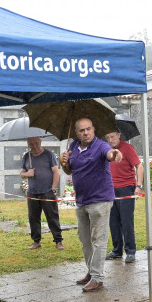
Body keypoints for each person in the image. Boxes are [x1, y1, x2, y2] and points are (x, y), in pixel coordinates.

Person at [59, 118, 123, 292]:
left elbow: (109, 154)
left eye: (88, 129)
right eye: (82, 130)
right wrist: (63, 161)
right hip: (81, 200)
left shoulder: (101, 145)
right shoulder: (73, 147)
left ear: (94, 129)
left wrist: (114, 154)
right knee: (85, 239)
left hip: (100, 200)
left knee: (98, 239)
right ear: (76, 133)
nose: (86, 133)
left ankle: (97, 277)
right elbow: (69, 170)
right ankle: (90, 271)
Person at [103, 131, 143, 264]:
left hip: (126, 188)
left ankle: (130, 252)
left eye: (112, 136)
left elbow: (139, 166)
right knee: (113, 222)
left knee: (126, 221)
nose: (110, 139)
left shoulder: (127, 148)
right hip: (110, 190)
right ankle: (117, 250)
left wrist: (139, 186)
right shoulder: (107, 150)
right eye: (108, 137)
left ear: (119, 135)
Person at [19, 136, 64, 251]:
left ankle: (58, 241)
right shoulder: (26, 156)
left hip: (47, 191)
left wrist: (53, 188)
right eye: (31, 144)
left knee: (52, 217)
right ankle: (36, 241)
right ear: (28, 144)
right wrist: (27, 174)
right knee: (33, 217)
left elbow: (56, 172)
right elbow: (22, 173)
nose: (34, 146)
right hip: (33, 192)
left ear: (40, 142)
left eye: (36, 143)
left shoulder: (49, 154)